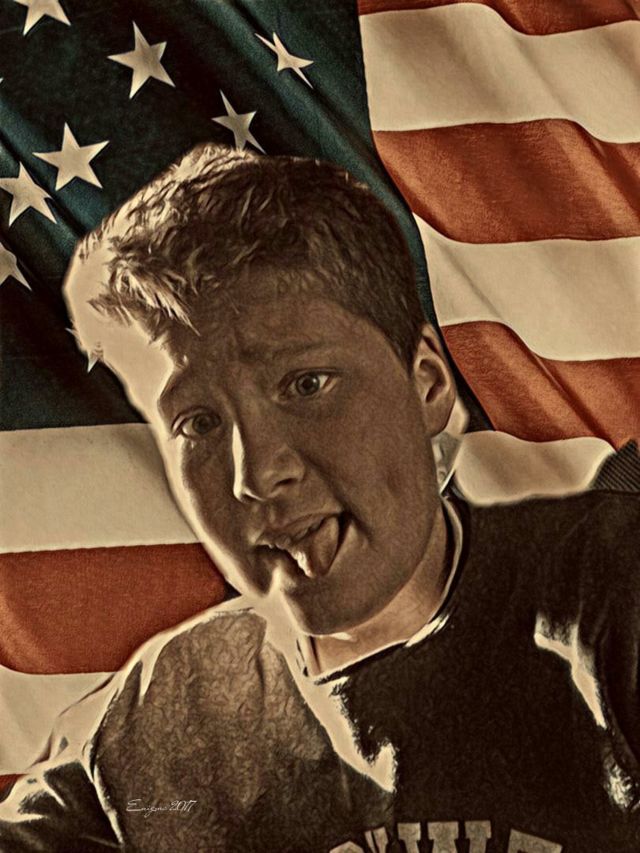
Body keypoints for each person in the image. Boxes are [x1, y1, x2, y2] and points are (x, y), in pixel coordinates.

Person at [0, 143, 638, 852]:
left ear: (427, 383)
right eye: (199, 423)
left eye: (306, 385)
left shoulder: (611, 591)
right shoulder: (148, 723)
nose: (256, 473)